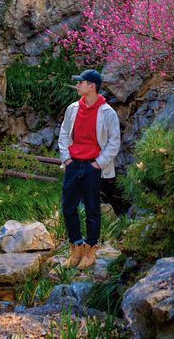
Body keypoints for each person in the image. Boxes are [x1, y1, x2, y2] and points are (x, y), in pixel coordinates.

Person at [58, 68, 121, 270]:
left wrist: (97, 163)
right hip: (73, 164)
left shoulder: (108, 112)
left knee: (92, 209)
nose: (77, 85)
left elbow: (114, 142)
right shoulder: (72, 108)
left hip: (93, 165)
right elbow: (64, 134)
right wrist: (67, 159)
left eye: (80, 82)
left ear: (91, 87)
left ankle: (90, 249)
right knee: (68, 207)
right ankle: (75, 247)